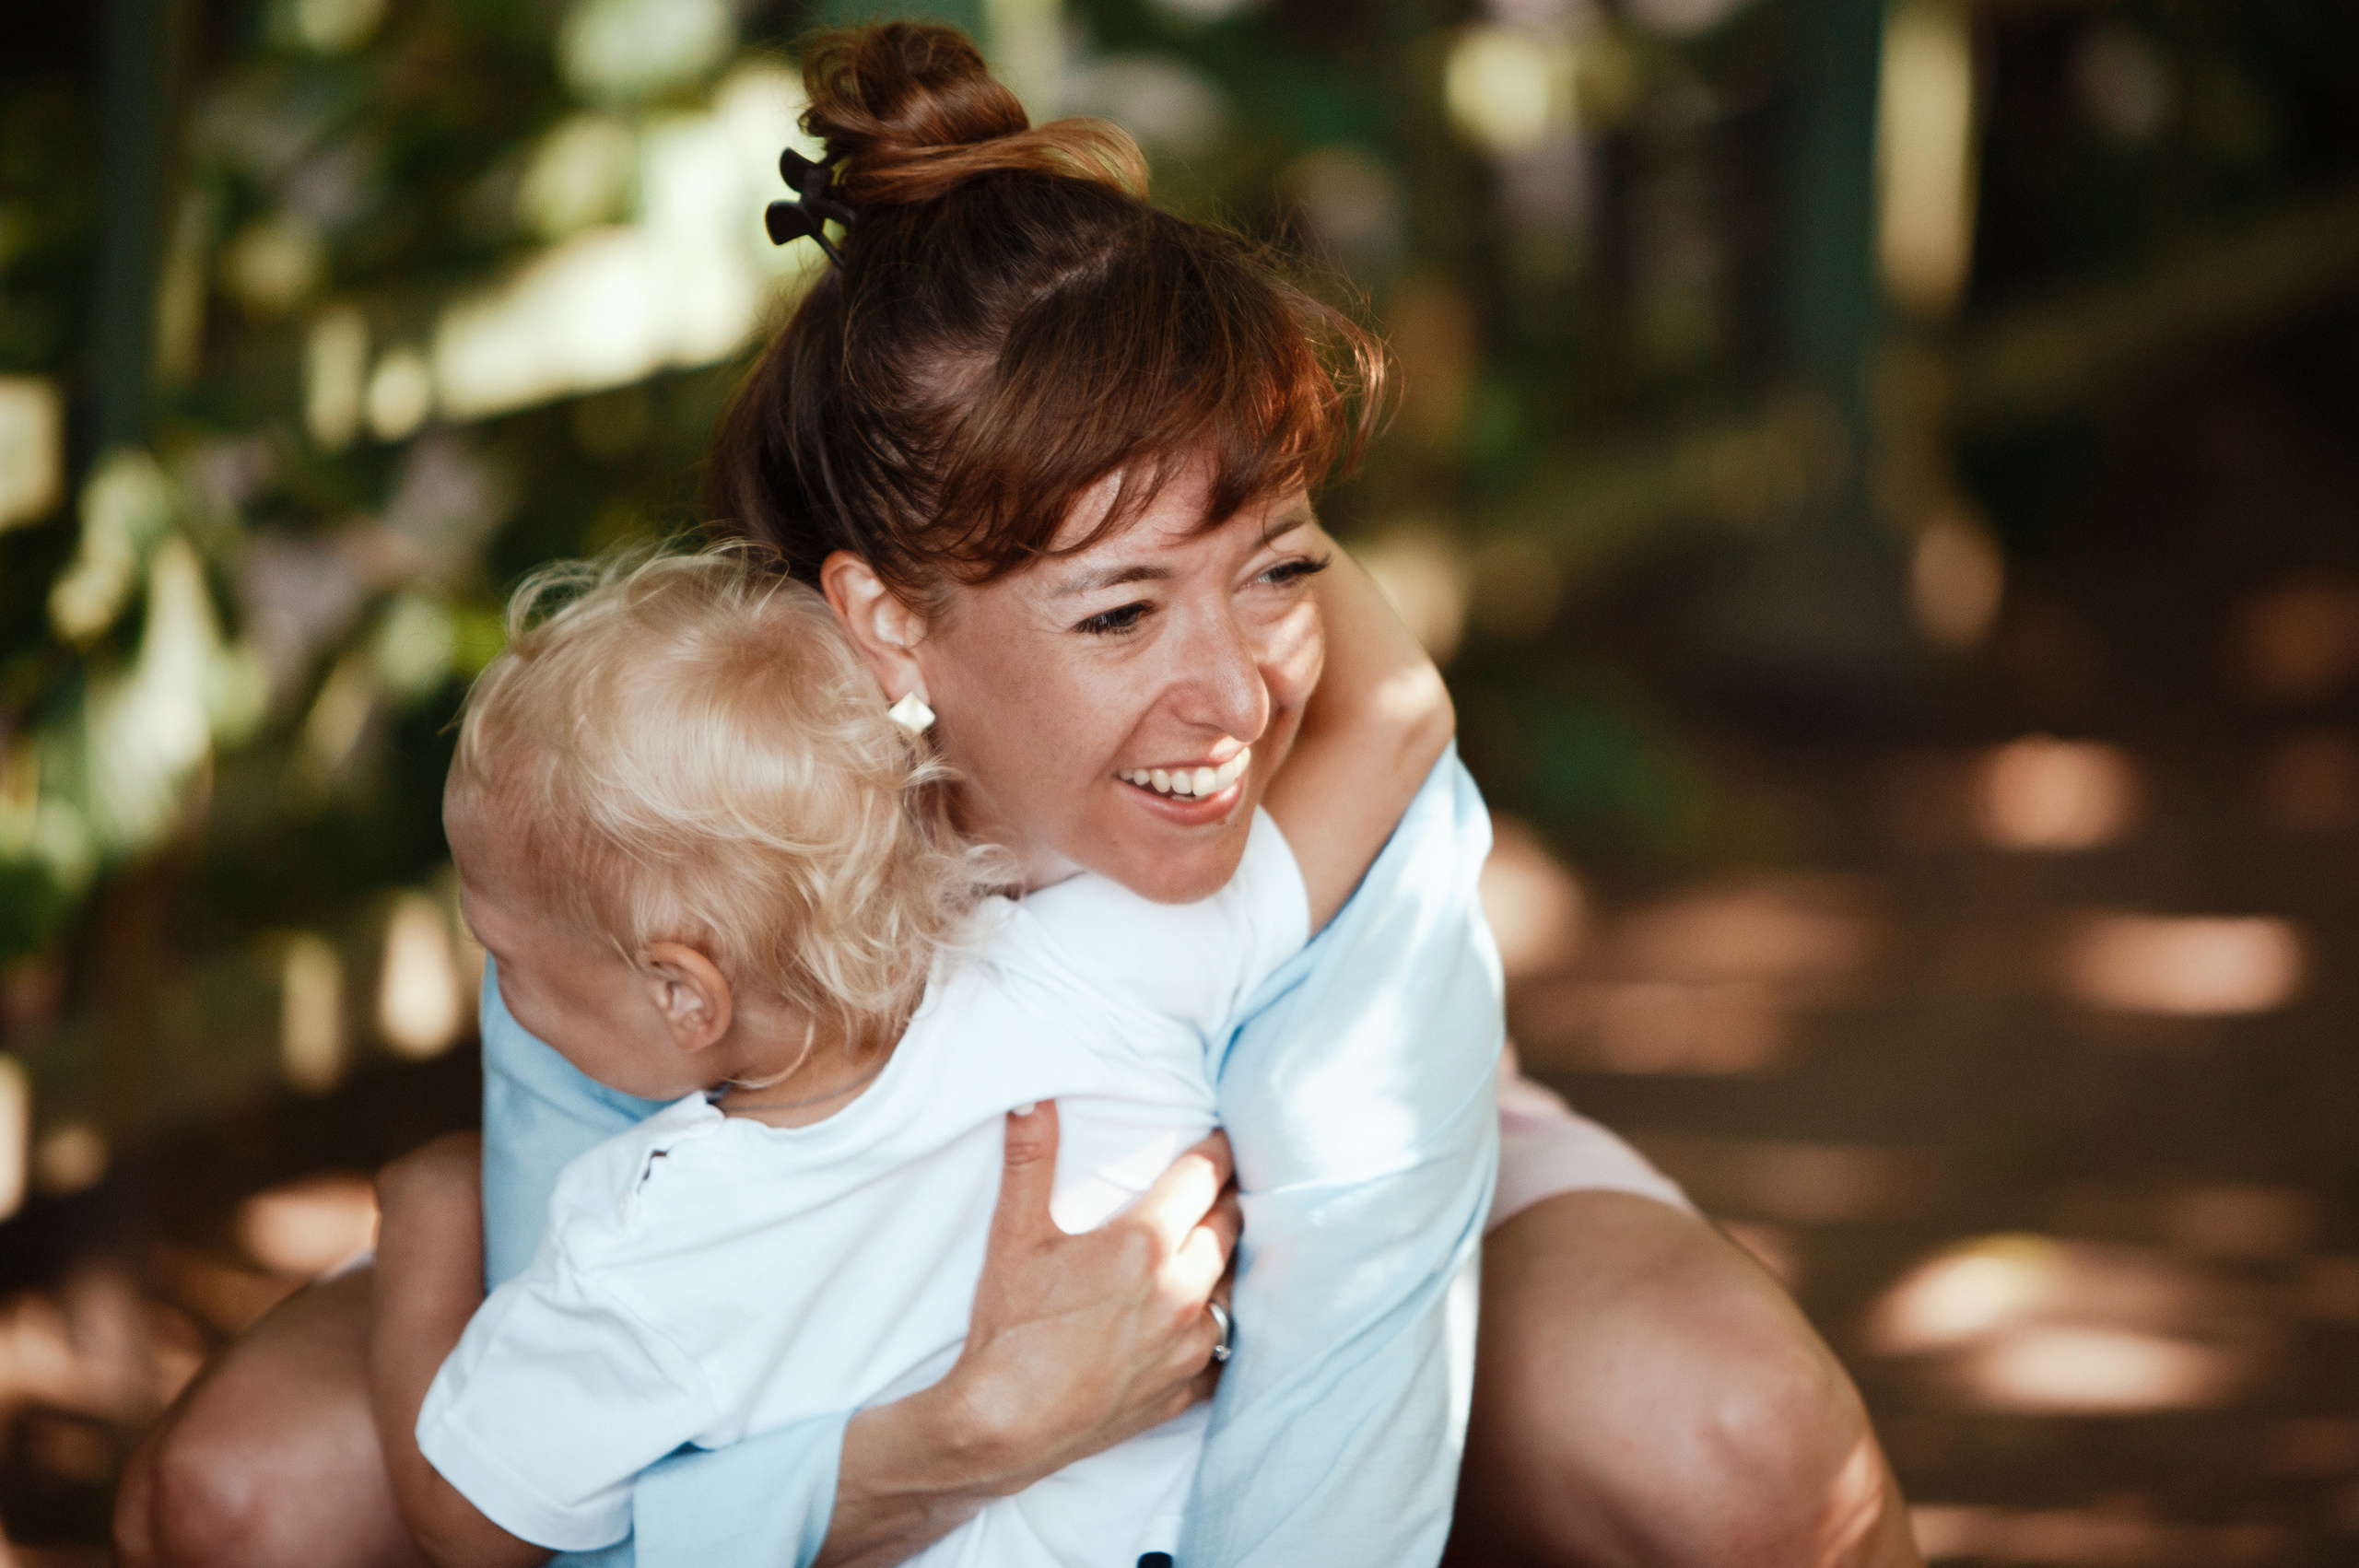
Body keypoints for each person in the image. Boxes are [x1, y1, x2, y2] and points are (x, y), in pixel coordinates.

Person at [117, 22, 1922, 1568]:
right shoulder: (663, 790)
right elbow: (555, 1480)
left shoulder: (1337, 778)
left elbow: (1349, 1289)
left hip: (1314, 1206)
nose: (1232, 690)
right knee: (239, 1488)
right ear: (884, 623)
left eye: (1280, 565)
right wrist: (957, 1435)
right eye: (1120, 609)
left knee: (1736, 1440)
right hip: (842, 1298)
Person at [373, 524, 1451, 1567]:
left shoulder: (648, 1244)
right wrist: (1247, 513)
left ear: (685, 993)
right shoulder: (1094, 961)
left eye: (506, 957)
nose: (508, 1000)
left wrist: (426, 1212)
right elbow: (1394, 719)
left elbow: (462, 1518)